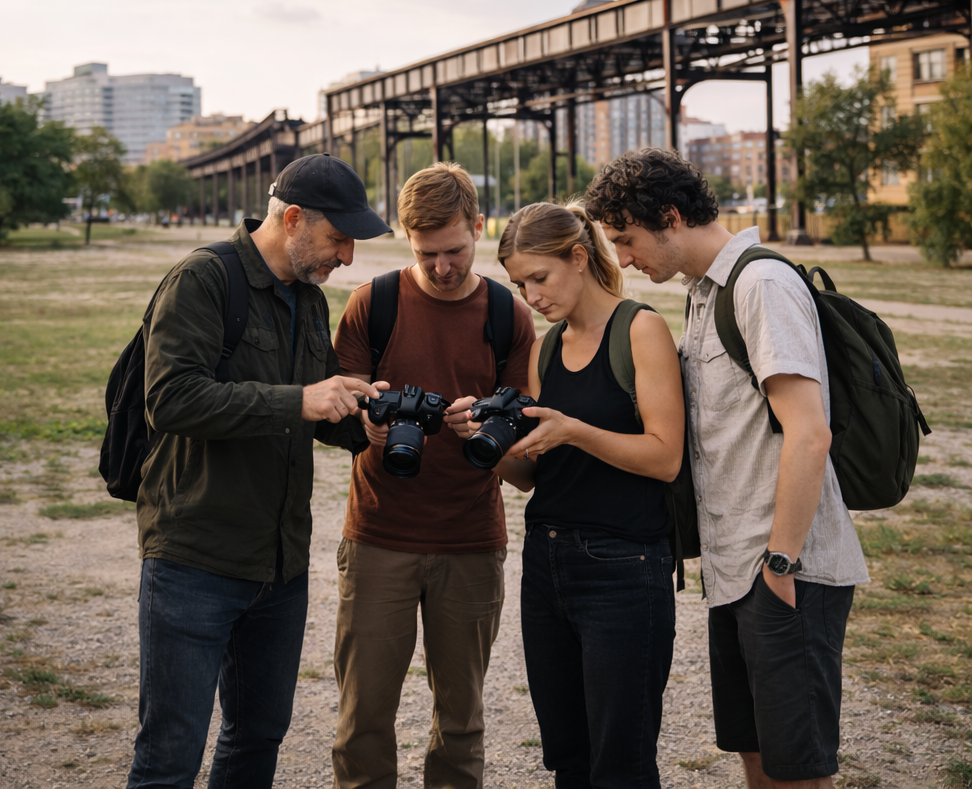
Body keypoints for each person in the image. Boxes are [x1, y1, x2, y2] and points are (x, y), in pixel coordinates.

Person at [584, 147, 869, 789]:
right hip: (738, 569)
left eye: (628, 240)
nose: (624, 258)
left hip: (785, 569)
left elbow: (809, 431)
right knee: (758, 754)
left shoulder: (760, 285)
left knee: (799, 769)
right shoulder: (703, 292)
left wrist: (781, 565)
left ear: (671, 216)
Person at [128, 153, 391, 789]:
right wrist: (298, 399)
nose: (348, 258)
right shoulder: (204, 278)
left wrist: (360, 415)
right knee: (171, 752)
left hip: (279, 565)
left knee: (257, 739)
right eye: (339, 239)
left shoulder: (309, 298)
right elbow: (170, 398)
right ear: (293, 219)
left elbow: (313, 407)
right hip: (196, 557)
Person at [331, 162, 537, 789]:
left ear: (479, 226)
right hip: (378, 537)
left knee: (462, 722)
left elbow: (528, 468)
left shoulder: (509, 315)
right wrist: (366, 427)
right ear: (404, 237)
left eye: (454, 250)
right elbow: (339, 415)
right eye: (426, 254)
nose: (443, 267)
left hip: (471, 541)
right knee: (363, 718)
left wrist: (487, 441)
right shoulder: (375, 302)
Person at [492, 202, 683, 789]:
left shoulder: (640, 328)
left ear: (578, 258)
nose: (531, 296)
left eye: (539, 278)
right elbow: (536, 476)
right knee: (568, 758)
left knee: (620, 764)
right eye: (519, 284)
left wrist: (575, 429)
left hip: (624, 569)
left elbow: (666, 457)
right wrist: (490, 447)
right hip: (546, 564)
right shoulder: (544, 349)